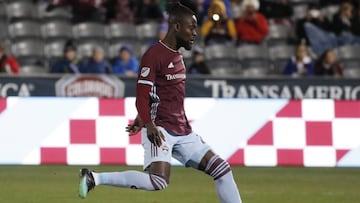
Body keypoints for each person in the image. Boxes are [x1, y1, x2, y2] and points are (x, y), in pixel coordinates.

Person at [78, 2, 242, 203]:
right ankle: (95, 178)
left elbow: (159, 93)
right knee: (158, 181)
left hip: (183, 131)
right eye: (191, 27)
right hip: (160, 130)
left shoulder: (178, 56)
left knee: (222, 170)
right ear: (177, 27)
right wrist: (148, 123)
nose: (195, 33)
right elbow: (141, 95)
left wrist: (141, 117)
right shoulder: (154, 55)